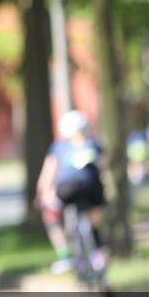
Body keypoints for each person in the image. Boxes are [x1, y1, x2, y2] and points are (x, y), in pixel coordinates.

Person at [36, 110, 107, 274]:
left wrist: (41, 196)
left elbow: (48, 174)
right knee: (95, 225)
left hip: (67, 188)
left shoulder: (59, 147)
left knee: (50, 213)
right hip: (92, 187)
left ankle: (64, 255)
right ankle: (100, 258)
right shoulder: (94, 144)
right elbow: (103, 167)